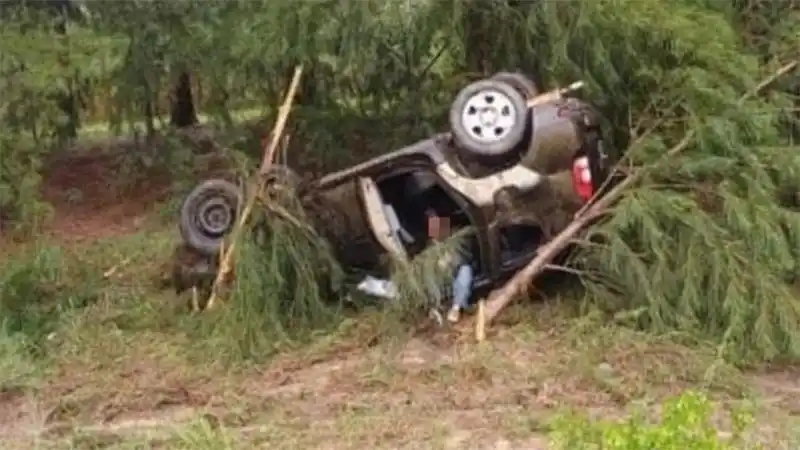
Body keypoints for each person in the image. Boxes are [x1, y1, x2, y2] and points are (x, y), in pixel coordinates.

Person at [425, 210, 475, 323]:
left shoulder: (456, 240)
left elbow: (465, 258)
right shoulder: (430, 247)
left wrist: (450, 261)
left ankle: (456, 308)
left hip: (456, 276)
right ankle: (436, 306)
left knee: (466, 271)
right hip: (442, 281)